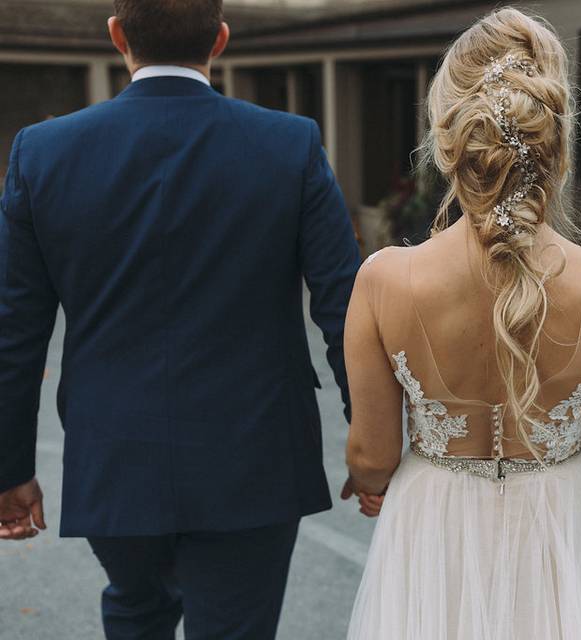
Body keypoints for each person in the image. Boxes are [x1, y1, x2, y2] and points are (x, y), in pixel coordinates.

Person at [0, 1, 359, 638]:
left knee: (135, 610)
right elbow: (344, 307)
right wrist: (372, 437)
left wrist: (7, 467)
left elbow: (13, 330)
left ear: (117, 36)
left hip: (114, 458)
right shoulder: (290, 144)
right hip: (256, 459)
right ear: (220, 39)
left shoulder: (43, 153)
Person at [341, 7, 581, 639]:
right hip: (561, 527)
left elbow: (372, 451)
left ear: (447, 138)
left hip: (433, 527)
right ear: (557, 141)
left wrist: (368, 484)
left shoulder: (383, 279)